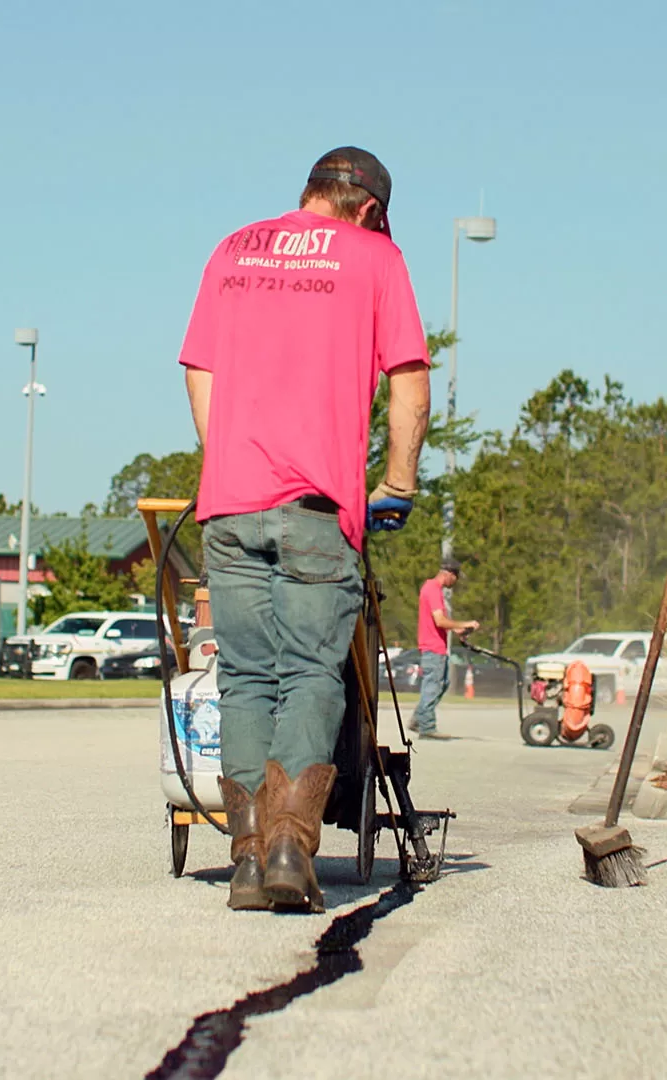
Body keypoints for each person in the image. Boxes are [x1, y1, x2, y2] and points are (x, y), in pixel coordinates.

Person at [178, 146, 431, 913]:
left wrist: (226, 463)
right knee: (314, 675)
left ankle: (249, 859)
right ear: (368, 210)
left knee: (246, 676)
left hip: (230, 506)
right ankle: (291, 843)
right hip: (318, 507)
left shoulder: (232, 249)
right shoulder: (376, 258)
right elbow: (409, 380)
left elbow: (200, 370)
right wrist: (398, 482)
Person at [411, 558, 479, 738]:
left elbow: (440, 623)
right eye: (455, 577)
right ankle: (427, 727)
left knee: (443, 682)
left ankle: (419, 718)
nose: (455, 582)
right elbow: (440, 621)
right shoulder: (433, 590)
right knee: (433, 686)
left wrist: (458, 628)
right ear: (449, 573)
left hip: (436, 646)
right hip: (433, 647)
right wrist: (465, 622)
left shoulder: (431, 588)